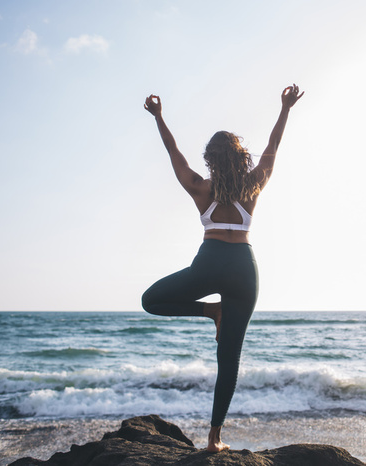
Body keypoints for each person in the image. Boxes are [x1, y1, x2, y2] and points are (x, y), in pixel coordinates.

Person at [141, 84, 304, 452]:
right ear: (240, 156)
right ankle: (215, 439)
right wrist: (285, 109)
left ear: (212, 160)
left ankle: (208, 310)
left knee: (150, 300)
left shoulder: (201, 188)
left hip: (210, 263)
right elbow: (273, 146)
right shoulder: (255, 184)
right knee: (229, 357)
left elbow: (175, 155)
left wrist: (159, 118)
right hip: (245, 271)